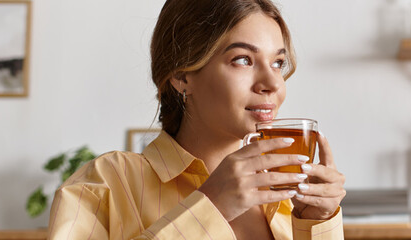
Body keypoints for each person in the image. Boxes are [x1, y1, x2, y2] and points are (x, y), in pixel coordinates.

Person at [47, 0, 346, 239]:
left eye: (278, 63)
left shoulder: (287, 199)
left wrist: (317, 225)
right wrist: (210, 207)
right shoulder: (105, 185)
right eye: (242, 59)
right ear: (181, 75)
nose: (273, 83)